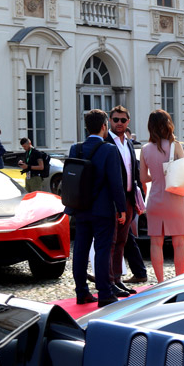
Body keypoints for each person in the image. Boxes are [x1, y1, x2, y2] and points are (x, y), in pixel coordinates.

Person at [68, 109, 126, 306]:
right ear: (104, 126)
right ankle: (104, 292)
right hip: (102, 209)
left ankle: (81, 292)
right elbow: (116, 183)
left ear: (87, 127)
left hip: (80, 207)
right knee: (102, 250)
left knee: (80, 250)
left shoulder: (76, 149)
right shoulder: (109, 149)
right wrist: (122, 208)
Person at [140, 109, 184, 282]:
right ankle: (179, 280)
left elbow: (143, 178)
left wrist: (156, 176)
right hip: (175, 199)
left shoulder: (145, 149)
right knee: (179, 242)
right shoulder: (175, 146)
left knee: (156, 243)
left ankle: (160, 281)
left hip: (155, 199)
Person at [106, 106, 142, 298]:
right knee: (111, 242)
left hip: (128, 198)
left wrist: (137, 198)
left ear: (128, 122)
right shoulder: (105, 142)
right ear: (109, 121)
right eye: (115, 120)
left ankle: (117, 279)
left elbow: (134, 172)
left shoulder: (128, 143)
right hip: (111, 200)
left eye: (122, 120)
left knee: (122, 240)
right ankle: (109, 282)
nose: (119, 123)